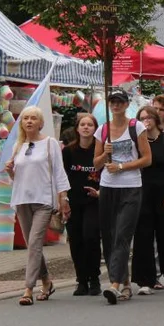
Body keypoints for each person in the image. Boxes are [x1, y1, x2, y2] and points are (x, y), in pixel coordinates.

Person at [6, 106, 70, 306]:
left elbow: (59, 172)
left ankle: (27, 289)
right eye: (25, 118)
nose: (29, 121)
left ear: (41, 123)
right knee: (32, 245)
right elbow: (18, 178)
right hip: (22, 199)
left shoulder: (50, 144)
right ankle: (47, 282)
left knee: (34, 243)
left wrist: (63, 198)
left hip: (43, 200)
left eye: (33, 118)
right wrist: (10, 171)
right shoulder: (19, 146)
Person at [94, 89, 153, 305]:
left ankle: (114, 285)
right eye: (113, 102)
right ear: (109, 105)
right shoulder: (102, 130)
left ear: (127, 104)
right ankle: (124, 284)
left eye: (120, 102)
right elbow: (96, 164)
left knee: (122, 234)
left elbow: (147, 159)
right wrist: (104, 153)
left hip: (131, 186)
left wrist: (122, 166)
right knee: (109, 237)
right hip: (108, 187)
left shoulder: (135, 127)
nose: (116, 105)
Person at [131, 106, 164, 295]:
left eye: (149, 117)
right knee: (143, 235)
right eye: (142, 118)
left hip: (163, 190)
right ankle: (145, 279)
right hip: (143, 191)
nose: (146, 121)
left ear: (156, 119)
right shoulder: (137, 142)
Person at [63, 113, 102, 296]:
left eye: (90, 125)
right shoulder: (69, 151)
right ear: (77, 128)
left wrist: (101, 192)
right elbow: (61, 177)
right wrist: (62, 201)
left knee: (91, 236)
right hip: (74, 201)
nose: (86, 127)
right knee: (76, 240)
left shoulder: (100, 150)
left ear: (95, 129)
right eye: (83, 124)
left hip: (93, 201)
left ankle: (94, 278)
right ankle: (81, 280)